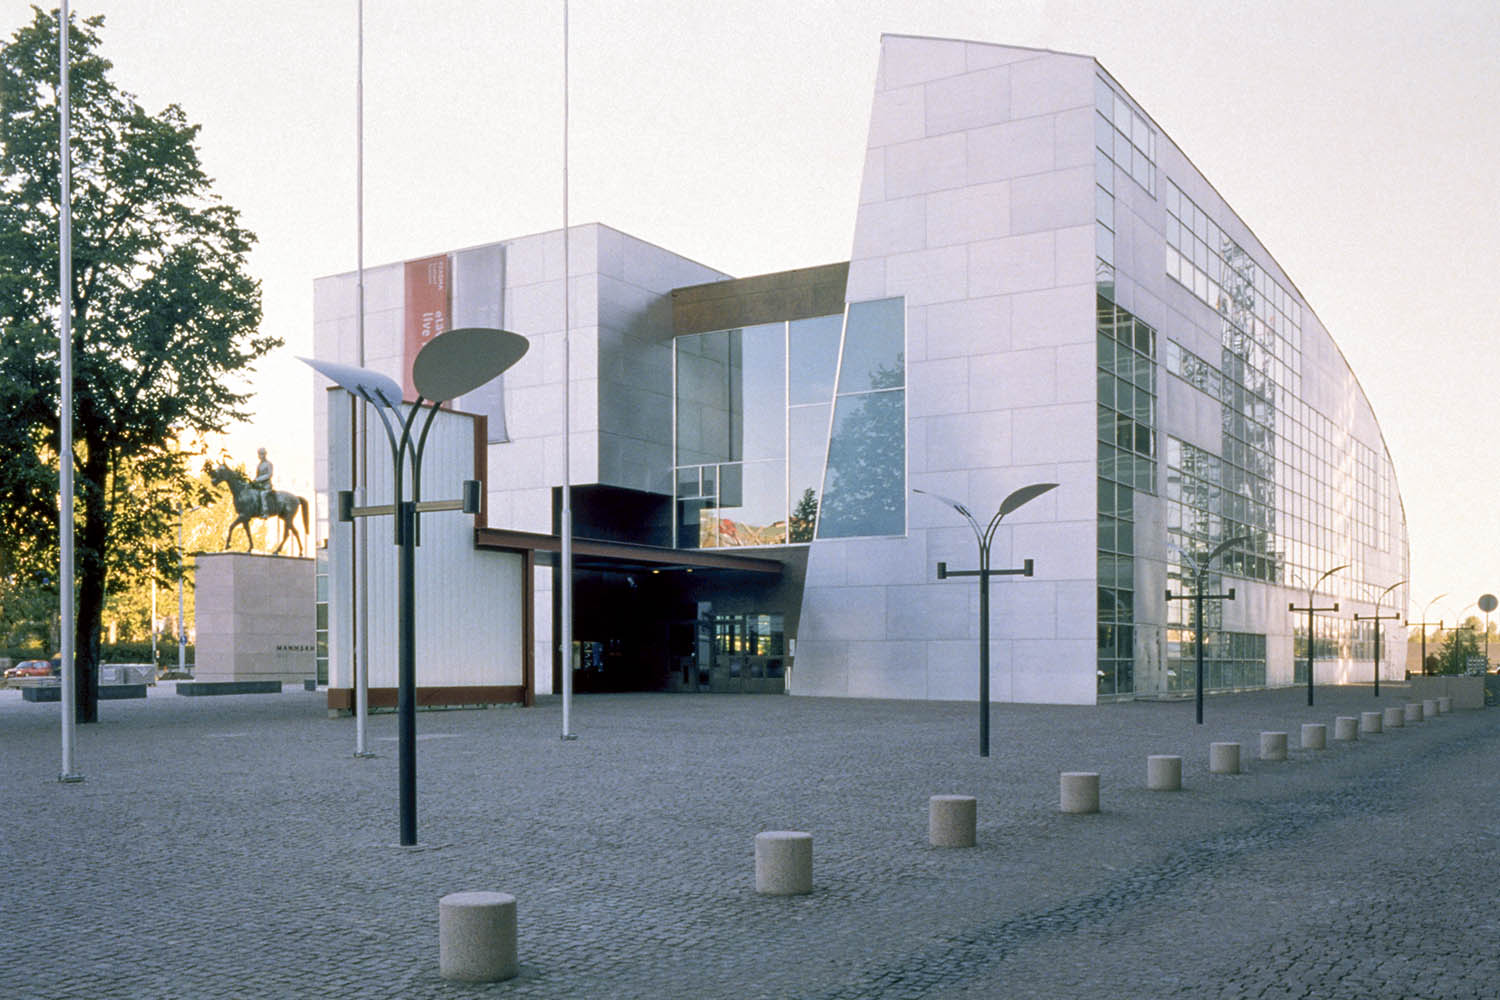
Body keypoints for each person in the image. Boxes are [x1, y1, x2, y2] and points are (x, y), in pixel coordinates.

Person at [250, 448, 273, 515]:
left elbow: (269, 474)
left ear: (265, 455)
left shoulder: (269, 464)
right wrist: (254, 481)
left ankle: (265, 512)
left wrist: (259, 479)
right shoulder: (259, 465)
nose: (260, 456)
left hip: (266, 485)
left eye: (261, 454)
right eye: (259, 454)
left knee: (263, 494)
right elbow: (257, 475)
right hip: (259, 485)